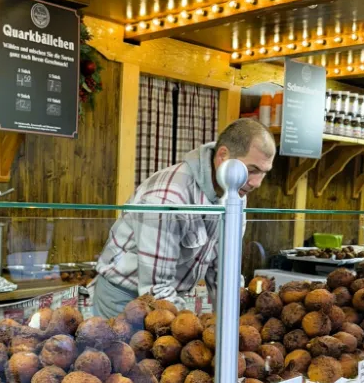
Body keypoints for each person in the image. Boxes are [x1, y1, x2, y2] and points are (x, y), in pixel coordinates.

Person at [90, 119, 276, 318]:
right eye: (253, 169)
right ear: (223, 156)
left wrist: (236, 321)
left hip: (167, 296)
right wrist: (199, 330)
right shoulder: (167, 197)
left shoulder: (236, 189)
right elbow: (156, 290)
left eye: (264, 173)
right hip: (124, 297)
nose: (257, 183)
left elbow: (224, 272)